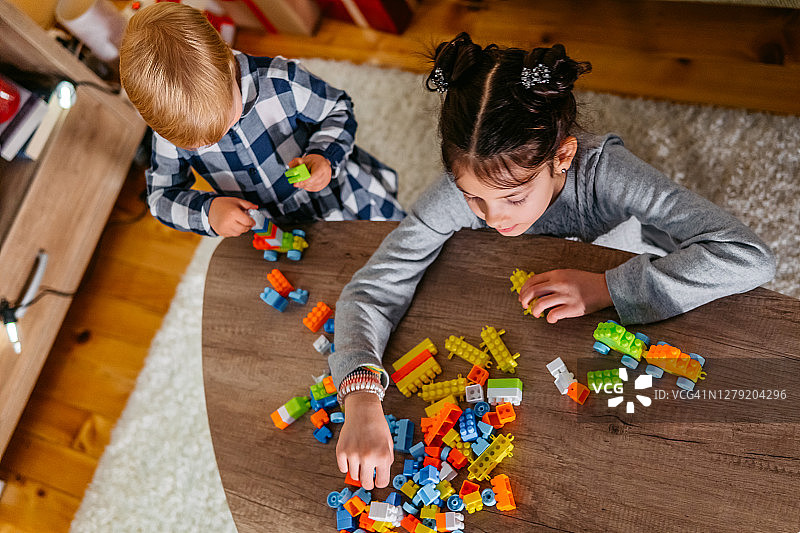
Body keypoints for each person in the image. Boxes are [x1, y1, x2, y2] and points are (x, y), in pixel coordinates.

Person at [330, 33, 776, 489]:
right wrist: (361, 397)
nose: (493, 217)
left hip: (649, 293)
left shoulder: (608, 172)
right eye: (473, 199)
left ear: (562, 156)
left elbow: (749, 257)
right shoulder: (460, 192)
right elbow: (370, 289)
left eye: (513, 197)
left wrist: (606, 288)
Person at [118, 2, 404, 237]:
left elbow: (337, 110)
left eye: (228, 121)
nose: (221, 137)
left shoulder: (281, 81)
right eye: (202, 144)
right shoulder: (169, 129)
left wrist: (323, 156)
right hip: (275, 226)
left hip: (340, 194)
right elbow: (161, 197)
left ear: (229, 63)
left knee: (401, 240)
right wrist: (209, 213)